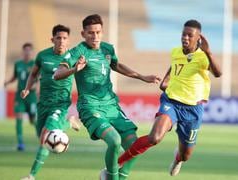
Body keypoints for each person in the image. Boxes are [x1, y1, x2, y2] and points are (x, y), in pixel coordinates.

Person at [53, 14, 161, 180]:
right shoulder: (78, 51)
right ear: (83, 34)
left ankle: (115, 176)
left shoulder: (107, 49)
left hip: (111, 105)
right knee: (114, 141)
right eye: (90, 33)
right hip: (90, 106)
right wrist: (75, 69)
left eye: (98, 32)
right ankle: (113, 177)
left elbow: (116, 65)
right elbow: (58, 74)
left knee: (135, 145)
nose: (95, 36)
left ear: (102, 32)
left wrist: (142, 76)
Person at [117, 19, 222, 176]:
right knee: (155, 137)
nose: (185, 38)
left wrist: (209, 52)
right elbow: (175, 65)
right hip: (171, 101)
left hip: (192, 109)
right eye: (183, 34)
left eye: (189, 35)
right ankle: (118, 162)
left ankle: (178, 159)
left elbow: (218, 73)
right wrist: (166, 80)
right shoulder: (175, 52)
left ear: (198, 38)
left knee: (186, 154)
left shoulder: (203, 57)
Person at [20, 24, 80, 180]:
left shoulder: (72, 58)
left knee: (46, 137)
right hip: (43, 103)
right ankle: (69, 123)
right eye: (58, 38)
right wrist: (27, 88)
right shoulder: (43, 56)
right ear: (52, 39)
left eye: (65, 38)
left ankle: (31, 175)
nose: (61, 41)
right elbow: (33, 74)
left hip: (60, 103)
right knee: (41, 136)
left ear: (68, 41)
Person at [4, 43, 37, 151]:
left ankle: (42, 139)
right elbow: (15, 76)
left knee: (33, 120)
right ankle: (20, 143)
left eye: (29, 50)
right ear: (23, 52)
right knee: (19, 118)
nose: (27, 52)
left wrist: (36, 88)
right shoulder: (18, 64)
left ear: (32, 52)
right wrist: (8, 82)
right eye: (25, 50)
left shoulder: (35, 64)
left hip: (31, 96)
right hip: (20, 96)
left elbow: (39, 79)